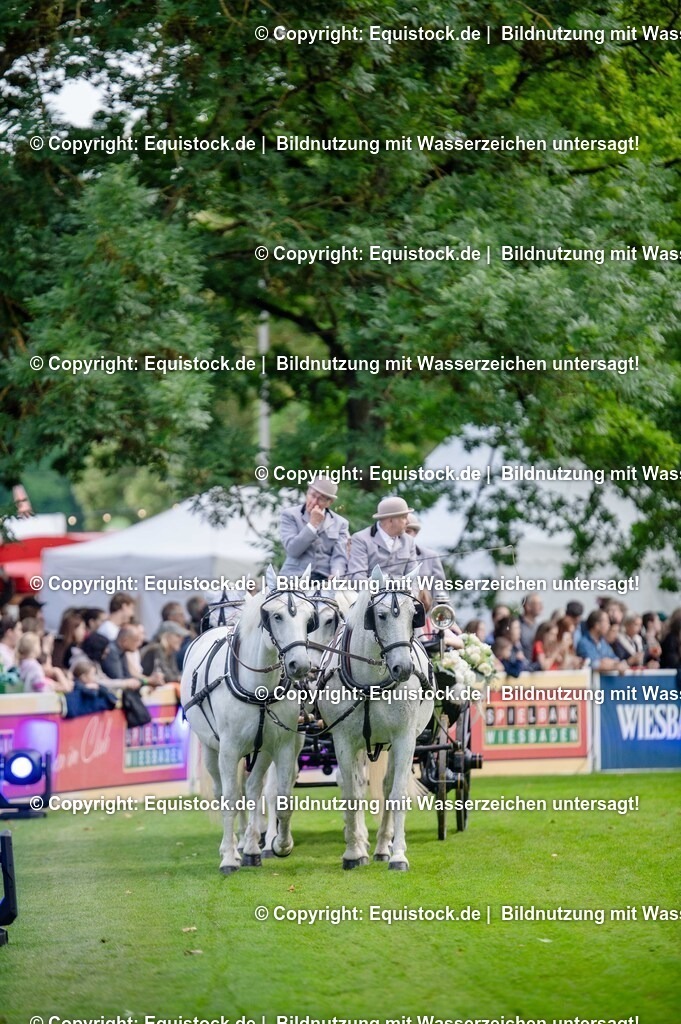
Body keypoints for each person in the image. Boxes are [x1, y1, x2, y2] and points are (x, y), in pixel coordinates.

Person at [280, 474, 349, 581]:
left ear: (329, 502)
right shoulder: (290, 515)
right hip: (293, 578)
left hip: (324, 580)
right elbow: (292, 550)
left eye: (320, 499)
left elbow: (339, 556)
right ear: (307, 492)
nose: (314, 502)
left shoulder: (341, 523)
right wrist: (312, 525)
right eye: (312, 495)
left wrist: (336, 574)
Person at [347, 496, 418, 580]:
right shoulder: (361, 539)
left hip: (403, 592)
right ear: (390, 520)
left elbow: (413, 578)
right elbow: (358, 576)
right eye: (404, 517)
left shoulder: (409, 541)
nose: (408, 522)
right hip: (371, 592)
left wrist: (411, 593)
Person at [404, 512, 446, 591]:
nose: (404, 535)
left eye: (408, 531)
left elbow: (440, 590)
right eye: (401, 532)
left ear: (416, 533)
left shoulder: (431, 556)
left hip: (426, 602)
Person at [519, 594, 544, 660]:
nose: (541, 607)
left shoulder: (538, 626)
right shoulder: (517, 626)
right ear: (528, 606)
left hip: (537, 667)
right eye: (538, 604)